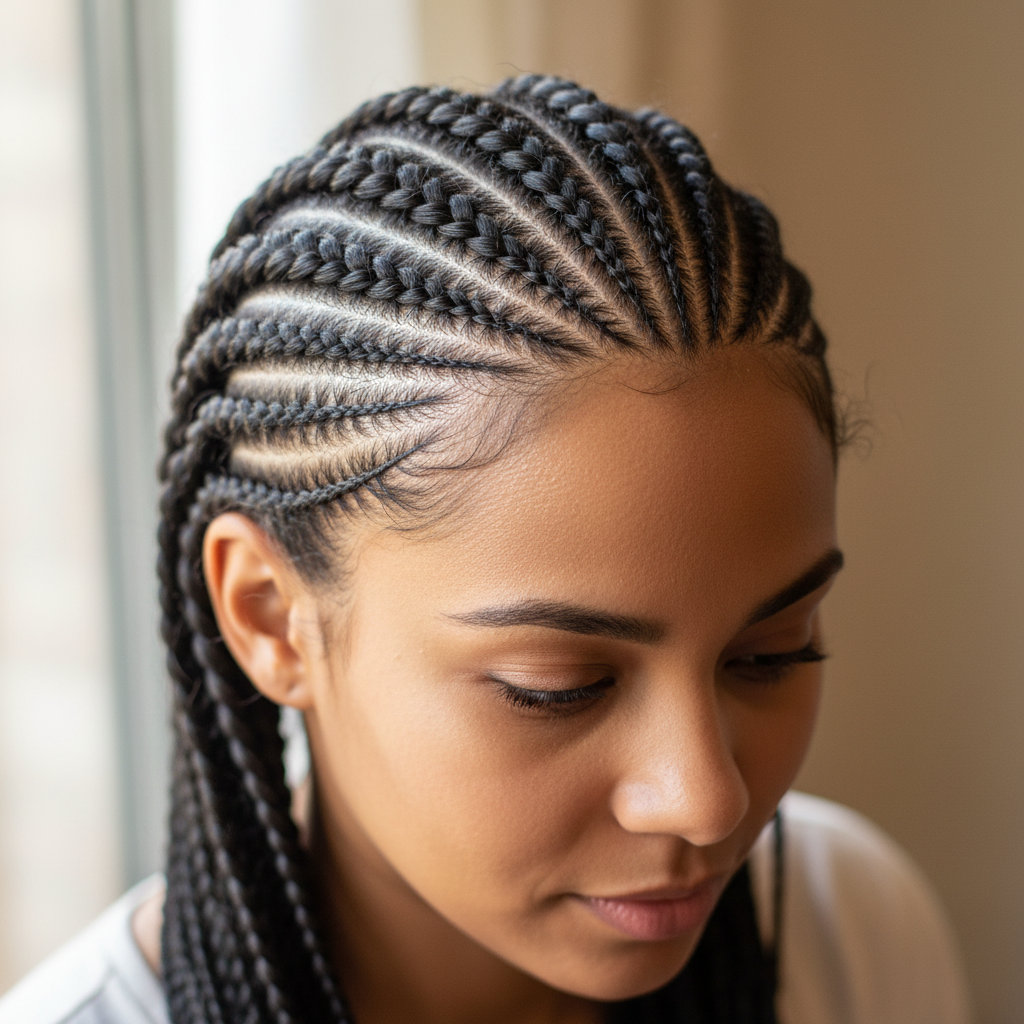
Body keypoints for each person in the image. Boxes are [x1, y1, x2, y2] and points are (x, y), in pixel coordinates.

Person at [0, 75, 972, 1024]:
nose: (706, 800)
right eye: (557, 685)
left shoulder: (846, 938)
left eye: (771, 652)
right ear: (269, 616)